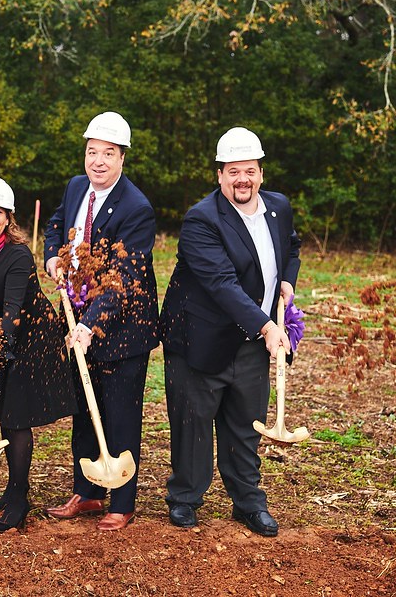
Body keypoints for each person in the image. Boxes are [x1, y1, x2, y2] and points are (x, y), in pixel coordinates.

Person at [160, 127, 300, 537]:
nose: (243, 179)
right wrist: (268, 325)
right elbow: (222, 284)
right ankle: (185, 498)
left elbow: (291, 246)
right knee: (194, 422)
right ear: (220, 175)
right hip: (200, 337)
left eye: (250, 171)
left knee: (246, 421)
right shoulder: (202, 219)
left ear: (261, 173)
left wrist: (287, 280)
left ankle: (248, 503)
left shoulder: (278, 207)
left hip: (253, 341)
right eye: (234, 171)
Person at [42, 111, 159, 531]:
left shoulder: (137, 209)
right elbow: (56, 224)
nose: (98, 161)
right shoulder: (77, 188)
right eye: (92, 152)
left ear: (122, 158)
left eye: (108, 153)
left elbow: (122, 282)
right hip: (76, 318)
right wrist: (53, 255)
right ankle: (87, 492)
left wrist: (90, 326)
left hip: (123, 328)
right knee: (83, 408)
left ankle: (122, 502)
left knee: (119, 412)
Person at [0, 177, 77, 533]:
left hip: (31, 340)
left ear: (9, 217)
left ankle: (19, 499)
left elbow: (11, 311)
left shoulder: (18, 254)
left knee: (16, 417)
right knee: (4, 415)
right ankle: (12, 489)